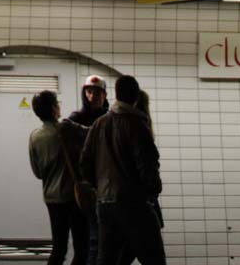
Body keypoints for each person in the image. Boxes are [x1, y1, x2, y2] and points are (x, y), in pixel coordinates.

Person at [81, 74, 163, 265]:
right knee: (154, 258)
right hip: (133, 203)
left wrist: (99, 187)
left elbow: (85, 164)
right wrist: (152, 190)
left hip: (104, 204)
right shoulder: (137, 124)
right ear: (135, 96)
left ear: (116, 95)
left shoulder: (99, 124)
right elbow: (147, 164)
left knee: (108, 260)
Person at [26, 90, 87, 264]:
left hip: (52, 199)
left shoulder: (34, 136)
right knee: (82, 249)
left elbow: (38, 172)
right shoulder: (67, 129)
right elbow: (93, 135)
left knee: (59, 248)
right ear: (54, 108)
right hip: (73, 198)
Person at [65, 77, 109, 259]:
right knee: (89, 242)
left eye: (97, 92)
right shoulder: (76, 118)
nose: (92, 96)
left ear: (104, 94)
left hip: (106, 185)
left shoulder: (109, 118)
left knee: (105, 241)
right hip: (85, 187)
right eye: (89, 92)